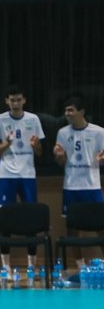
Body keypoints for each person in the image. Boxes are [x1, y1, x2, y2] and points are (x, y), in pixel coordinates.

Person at [0, 85, 45, 276]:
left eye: (18, 100)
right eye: (12, 100)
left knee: (31, 220)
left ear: (24, 101)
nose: (15, 103)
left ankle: (32, 265)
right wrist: (7, 144)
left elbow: (39, 152)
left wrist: (36, 146)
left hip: (27, 175)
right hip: (7, 175)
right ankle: (5, 266)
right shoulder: (0, 120)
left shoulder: (33, 119)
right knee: (6, 220)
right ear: (7, 101)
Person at [52, 95, 104, 270]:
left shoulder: (99, 132)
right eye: (65, 110)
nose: (67, 113)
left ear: (81, 111)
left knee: (101, 227)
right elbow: (60, 161)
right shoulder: (63, 133)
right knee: (72, 229)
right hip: (71, 186)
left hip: (92, 186)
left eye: (71, 110)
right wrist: (59, 156)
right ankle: (80, 266)